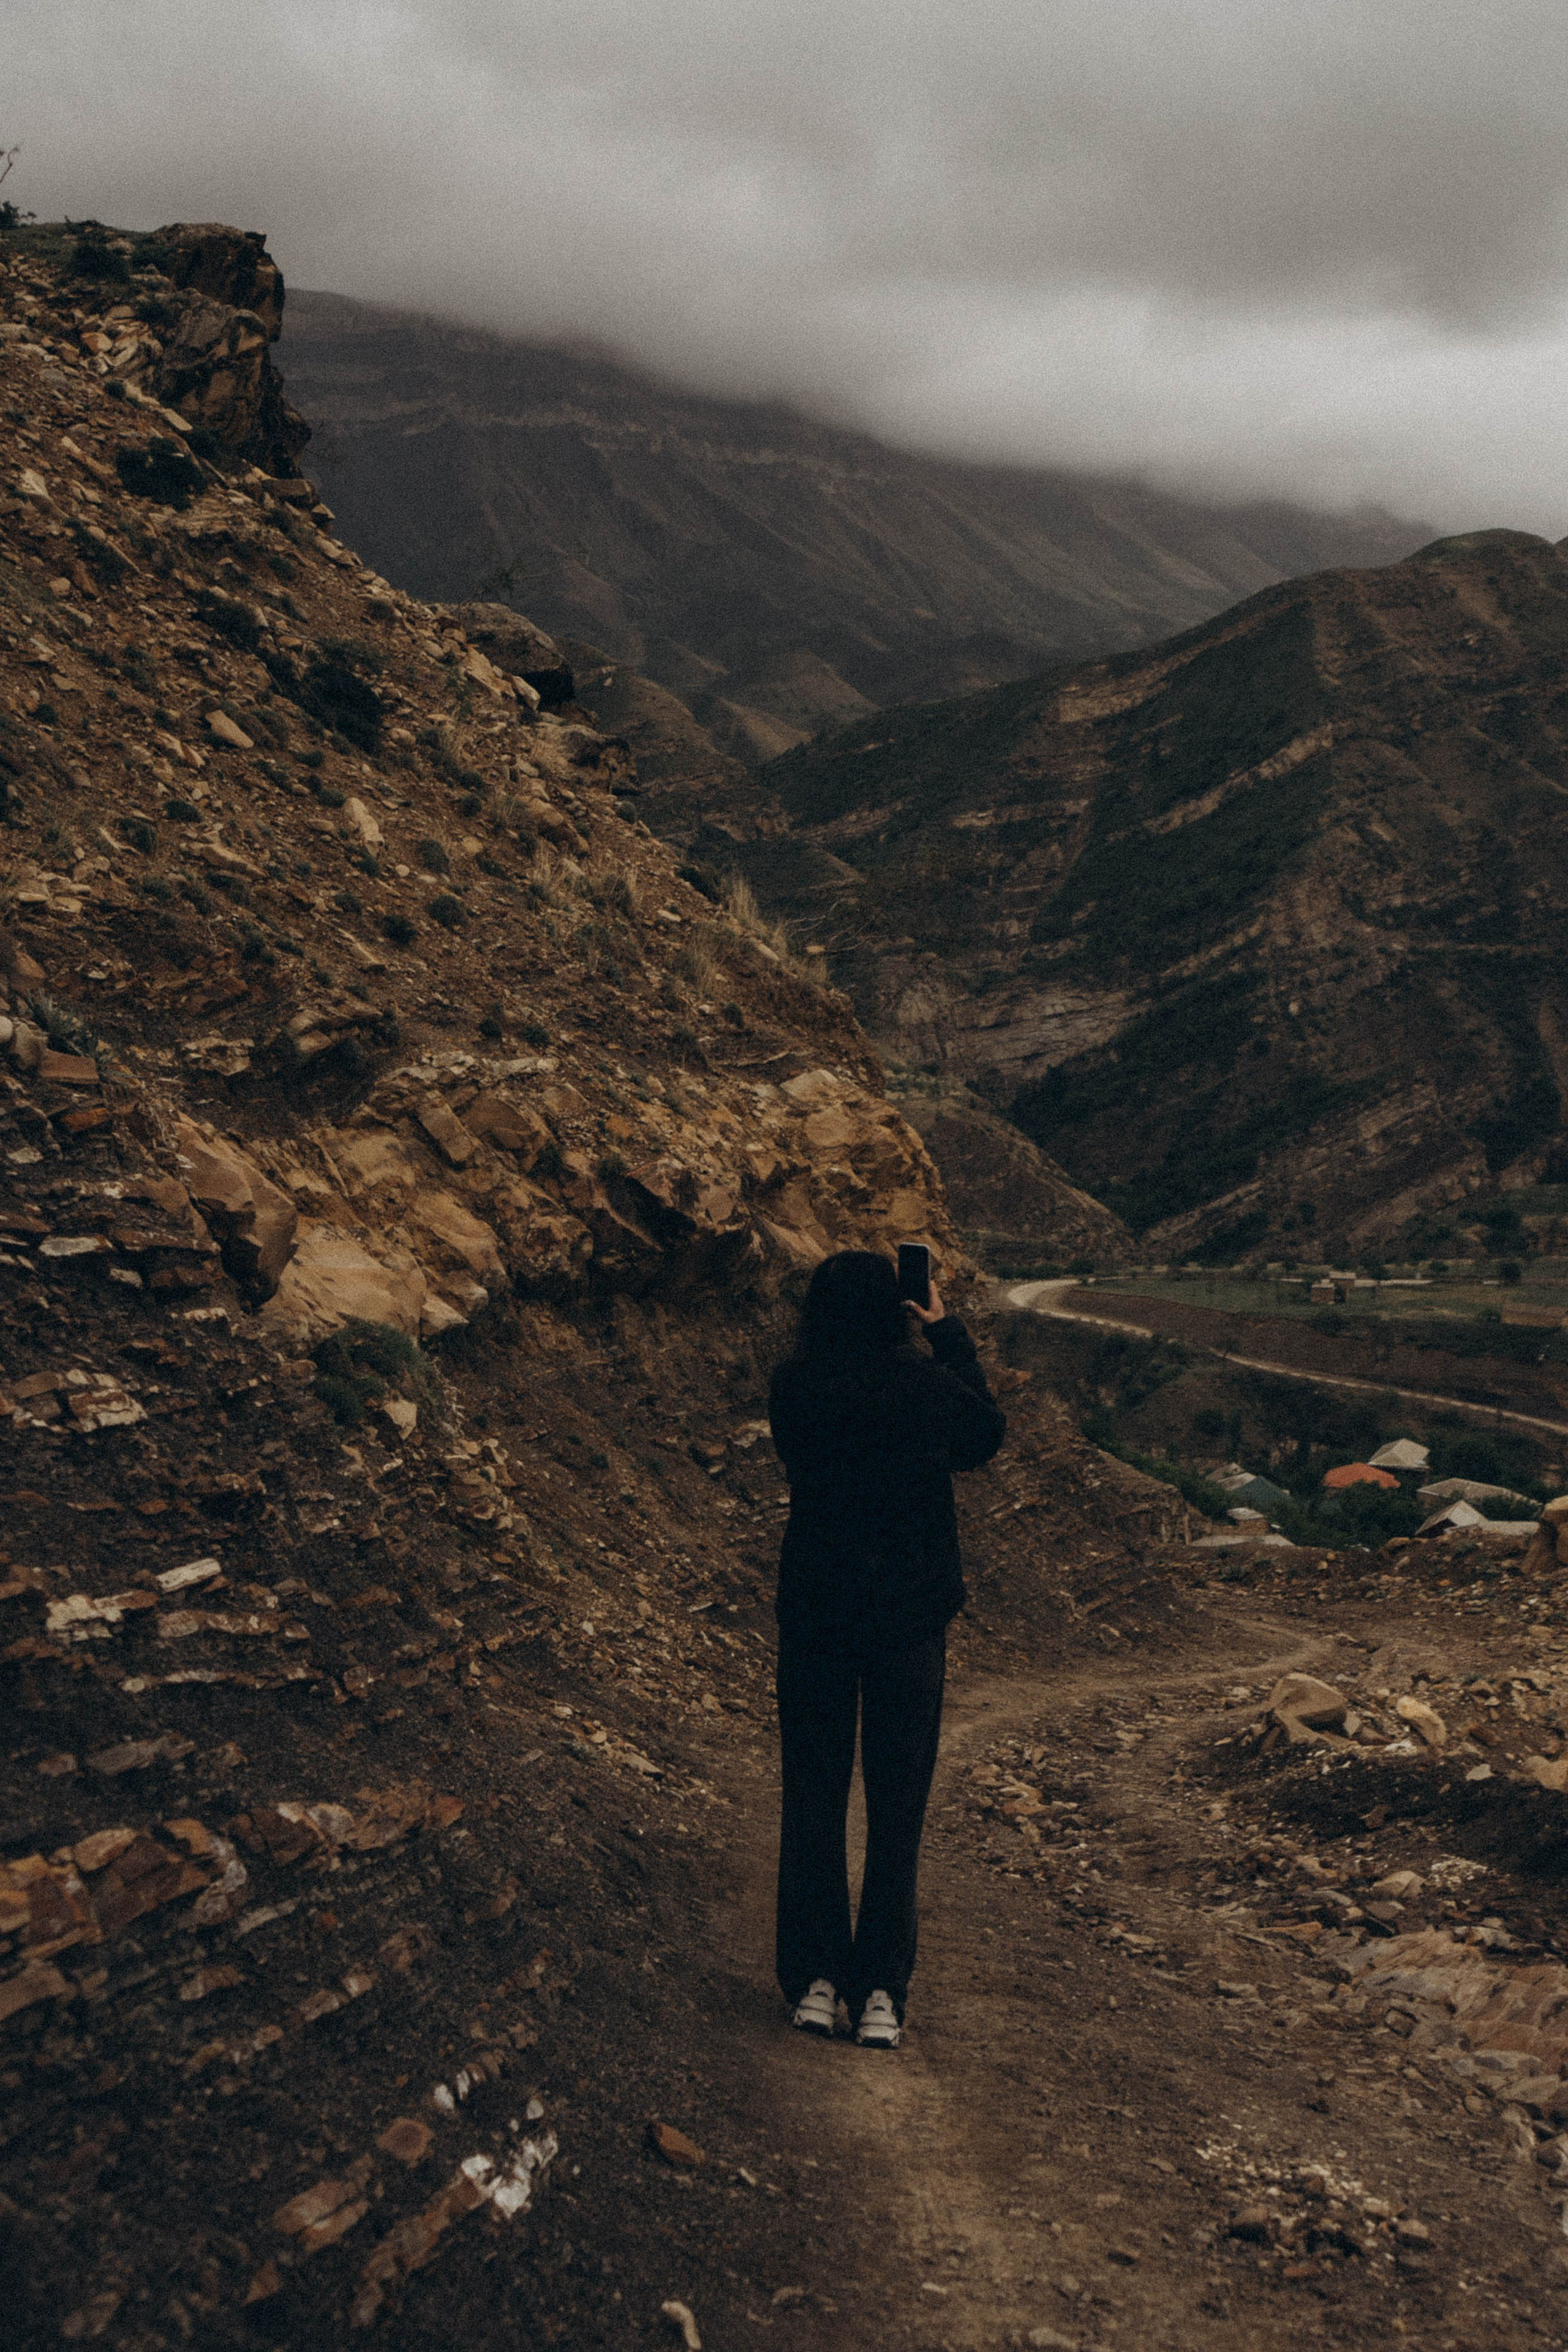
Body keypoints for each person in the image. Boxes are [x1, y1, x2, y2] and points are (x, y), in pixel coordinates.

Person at [767, 1249, 1005, 2049]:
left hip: (817, 1617)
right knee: (897, 1813)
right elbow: (986, 1435)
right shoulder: (925, 1389)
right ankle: (881, 1998)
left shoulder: (794, 1389)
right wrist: (948, 1333)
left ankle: (815, 1982)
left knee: (814, 1802)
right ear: (896, 1310)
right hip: (908, 1623)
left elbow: (797, 1458)